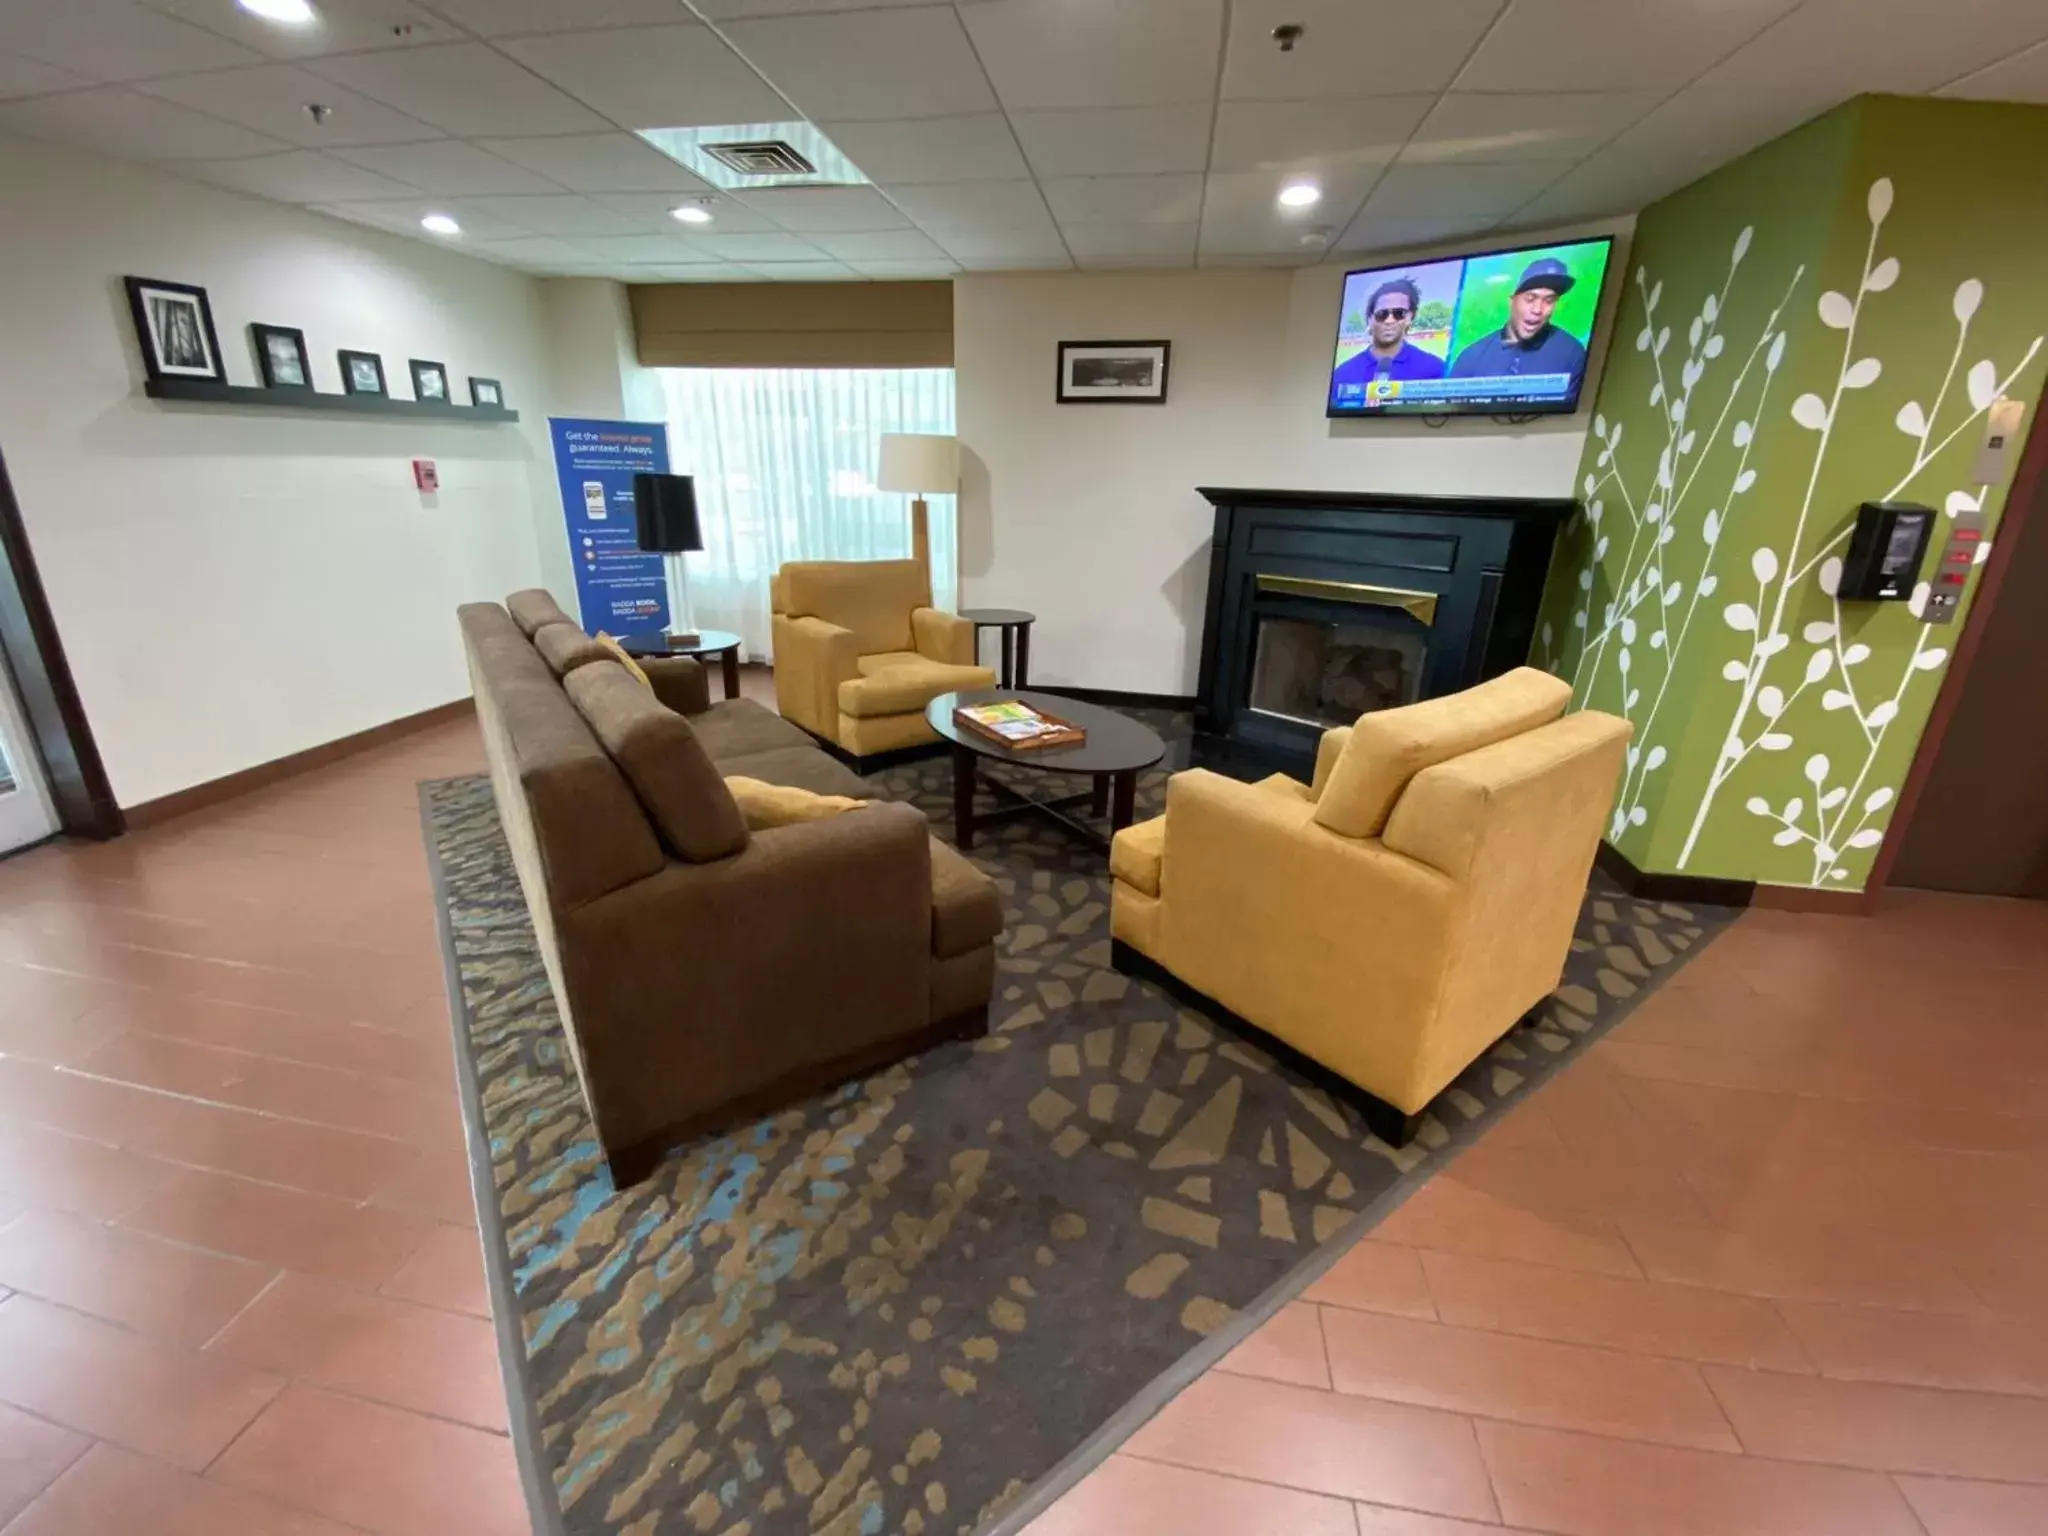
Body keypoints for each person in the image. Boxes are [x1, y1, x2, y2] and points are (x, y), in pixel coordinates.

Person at [1449, 257, 1587, 389]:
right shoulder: (1471, 357)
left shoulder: (1572, 353)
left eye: (1549, 301)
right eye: (1530, 299)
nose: (1538, 310)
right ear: (1512, 301)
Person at [1329, 277, 1445, 396]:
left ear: (1410, 317)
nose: (1389, 320)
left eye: (1399, 313)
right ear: (1370, 319)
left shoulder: (1435, 368)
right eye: (1382, 314)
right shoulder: (1343, 374)